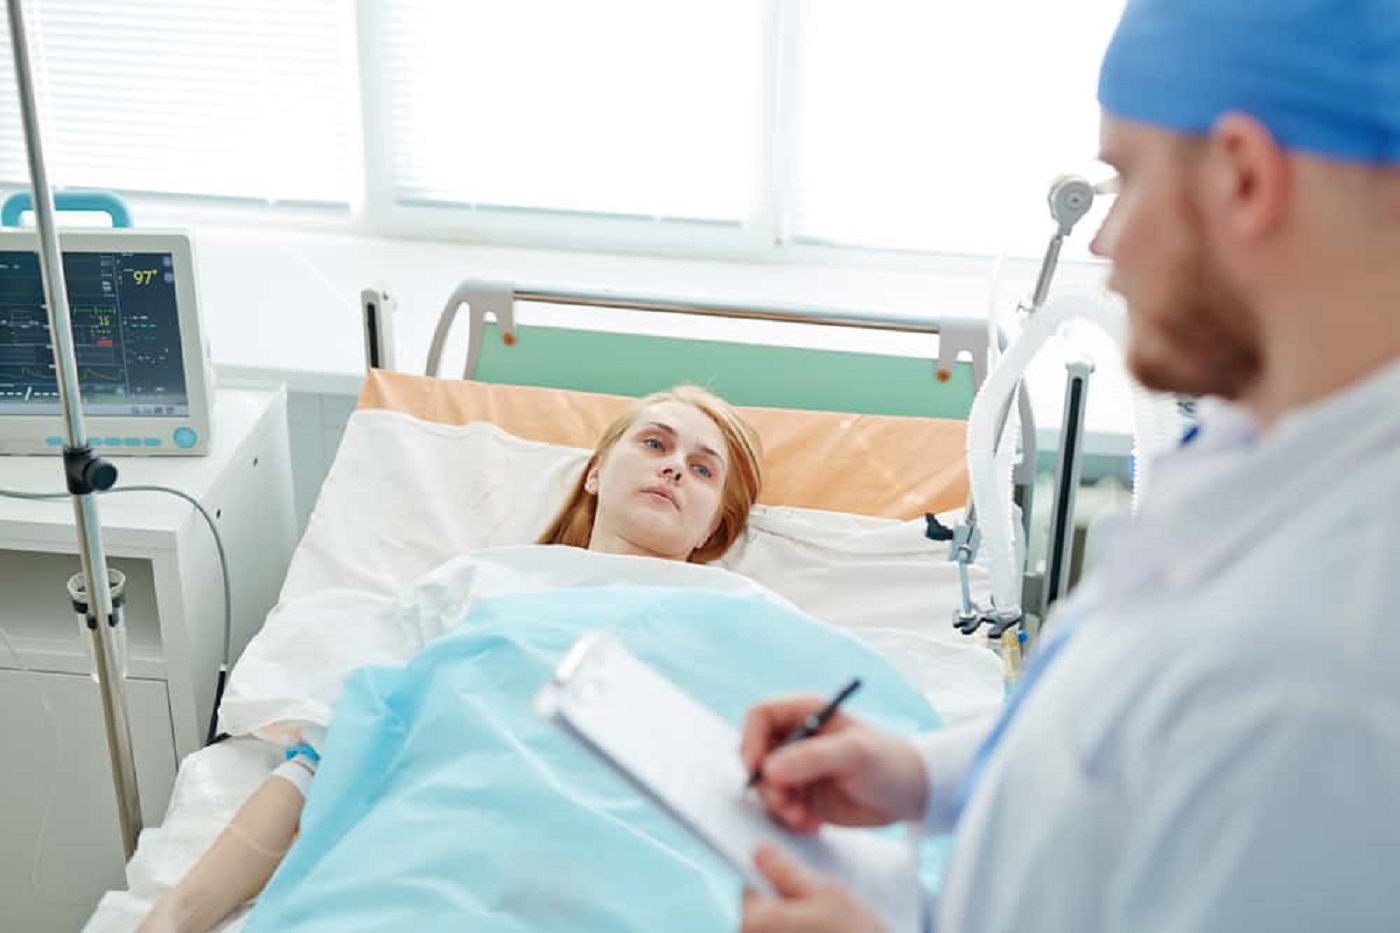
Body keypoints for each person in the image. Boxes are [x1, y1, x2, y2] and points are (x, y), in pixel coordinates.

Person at [739, 1, 1400, 930]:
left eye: (1124, 182)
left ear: (1245, 178)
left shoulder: (1324, 677)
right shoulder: (1268, 447)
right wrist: (919, 773)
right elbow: (1122, 751)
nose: (1102, 242)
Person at [138, 385, 763, 933]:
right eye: (655, 444)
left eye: (704, 469)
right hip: (447, 852)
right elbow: (326, 755)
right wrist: (175, 915)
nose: (676, 468)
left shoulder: (744, 614)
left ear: (714, 529)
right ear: (595, 473)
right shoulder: (481, 582)